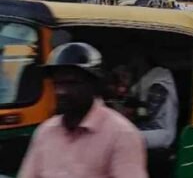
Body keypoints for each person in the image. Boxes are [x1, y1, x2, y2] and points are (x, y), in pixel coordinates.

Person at [18, 42, 147, 178]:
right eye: (57, 83)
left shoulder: (121, 135)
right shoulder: (45, 132)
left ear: (93, 85)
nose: (61, 91)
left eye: (71, 83)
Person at [128, 51, 178, 151]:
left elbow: (148, 113)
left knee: (124, 138)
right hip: (149, 127)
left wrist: (129, 112)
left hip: (161, 131)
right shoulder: (147, 81)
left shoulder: (160, 82)